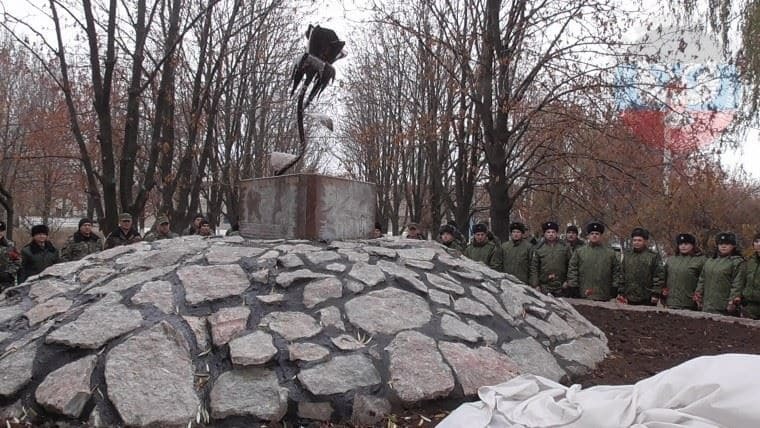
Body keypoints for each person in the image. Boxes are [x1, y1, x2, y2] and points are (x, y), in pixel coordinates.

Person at [694, 232, 746, 315]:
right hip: (707, 305)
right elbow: (702, 279)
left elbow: (737, 284)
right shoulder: (710, 261)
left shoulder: (737, 262)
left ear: (733, 245)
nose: (723, 246)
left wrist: (732, 302)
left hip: (724, 307)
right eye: (720, 244)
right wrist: (698, 294)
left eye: (727, 244)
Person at [568, 221, 621, 301]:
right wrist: (574, 286)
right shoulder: (579, 252)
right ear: (588, 236)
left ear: (601, 236)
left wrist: (615, 286)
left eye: (597, 234)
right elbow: (573, 269)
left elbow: (616, 271)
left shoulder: (610, 253)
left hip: (603, 294)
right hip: (584, 292)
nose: (594, 236)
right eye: (592, 234)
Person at [617, 228, 665, 305]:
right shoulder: (627, 255)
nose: (636, 242)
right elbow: (622, 274)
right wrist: (621, 292)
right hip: (628, 296)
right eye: (634, 240)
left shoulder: (653, 256)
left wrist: (655, 293)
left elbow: (659, 276)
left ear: (645, 241)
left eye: (639, 240)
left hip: (647, 297)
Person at [663, 233, 706, 310]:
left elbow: (703, 280)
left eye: (686, 244)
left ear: (693, 245)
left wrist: (699, 295)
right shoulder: (671, 260)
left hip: (689, 303)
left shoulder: (701, 260)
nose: (683, 246)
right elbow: (664, 277)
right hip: (671, 302)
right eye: (680, 244)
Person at [530, 221, 571, 296]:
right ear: (544, 234)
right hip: (544, 287)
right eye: (548, 232)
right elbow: (534, 268)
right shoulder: (539, 248)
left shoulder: (565, 247)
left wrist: (568, 281)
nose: (551, 234)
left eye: (553, 232)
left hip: (561, 286)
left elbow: (570, 265)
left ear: (556, 233)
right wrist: (536, 285)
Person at [742, 233, 760, 319]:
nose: (759, 244)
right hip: (750, 306)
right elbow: (743, 281)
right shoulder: (750, 261)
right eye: (756, 241)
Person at [0, 221, 21, 291]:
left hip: (6, 282)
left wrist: (10, 272)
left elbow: (18, 260)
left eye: (1, 230)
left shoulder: (10, 245)